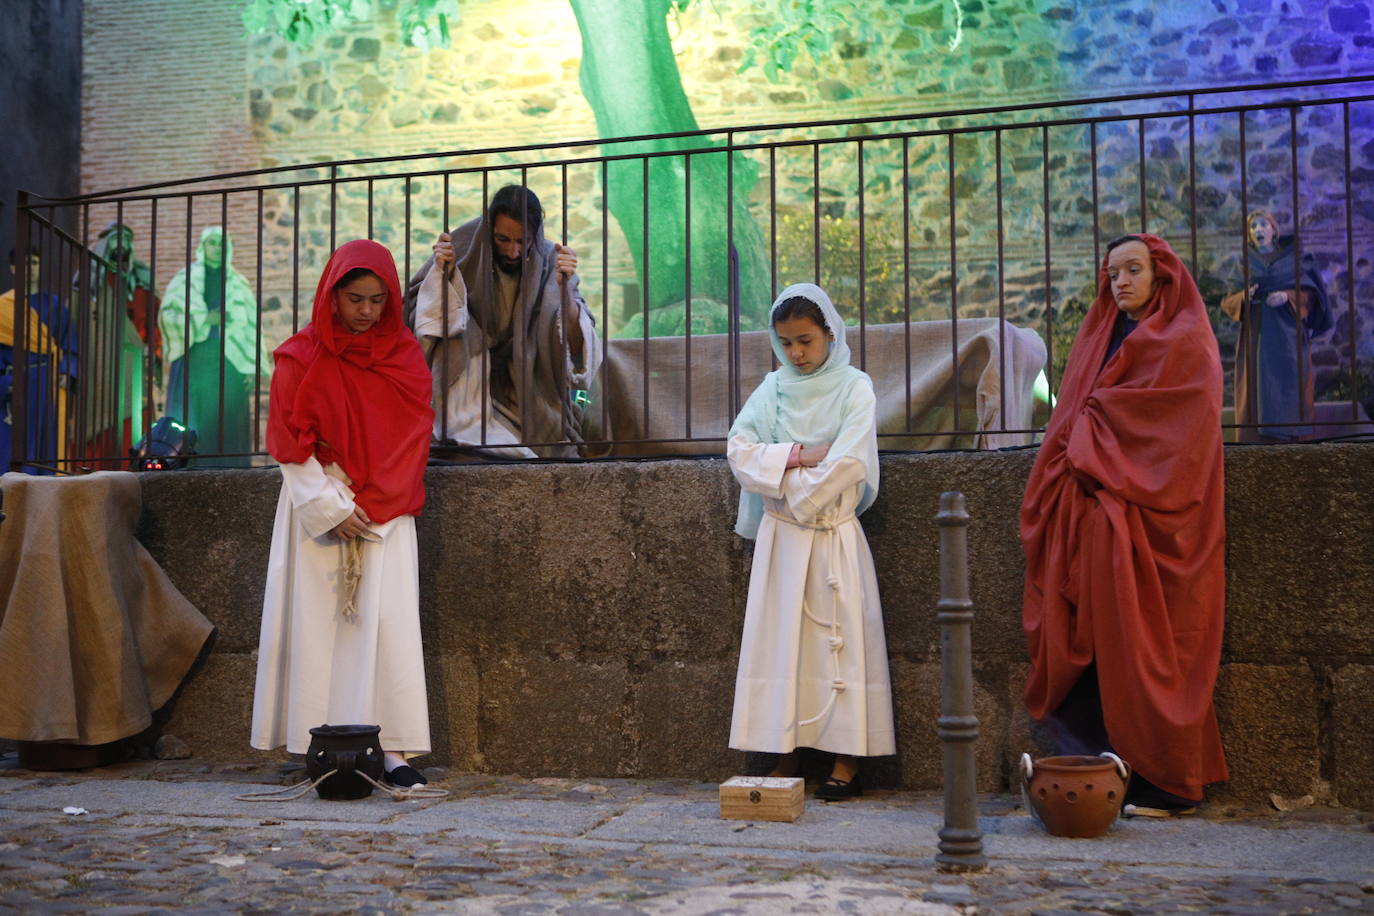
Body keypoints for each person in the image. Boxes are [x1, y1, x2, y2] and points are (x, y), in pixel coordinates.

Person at [1021, 234, 1228, 817]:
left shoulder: (1187, 340)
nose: (1121, 283)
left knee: (1151, 650)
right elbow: (1075, 411)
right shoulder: (1101, 336)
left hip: (1154, 524)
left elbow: (1177, 428)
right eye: (1112, 274)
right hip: (1093, 518)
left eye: (1133, 270)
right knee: (1093, 650)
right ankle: (1102, 777)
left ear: (1161, 274)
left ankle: (1168, 784)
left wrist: (1095, 429)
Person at [250, 239, 435, 788]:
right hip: (322, 507)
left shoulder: (403, 357)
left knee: (386, 624)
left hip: (386, 509)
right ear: (331, 295)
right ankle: (320, 743)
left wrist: (375, 502)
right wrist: (329, 505)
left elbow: (412, 435)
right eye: (354, 298)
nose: (366, 311)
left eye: (378, 299)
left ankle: (394, 749)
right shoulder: (299, 357)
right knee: (320, 627)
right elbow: (288, 439)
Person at [726, 282, 894, 801]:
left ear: (829, 334)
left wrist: (791, 494)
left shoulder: (855, 387)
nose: (796, 353)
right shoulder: (772, 389)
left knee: (840, 644)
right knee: (783, 646)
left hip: (830, 536)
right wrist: (798, 455)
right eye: (786, 343)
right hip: (782, 543)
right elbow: (739, 448)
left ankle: (846, 759)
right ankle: (784, 753)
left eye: (805, 341)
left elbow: (849, 461)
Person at [405, 184, 602, 457]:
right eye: (503, 240)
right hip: (465, 377)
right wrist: (442, 275)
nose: (512, 252)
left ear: (536, 235)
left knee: (554, 442)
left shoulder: (551, 260)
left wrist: (564, 289)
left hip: (526, 380)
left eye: (522, 242)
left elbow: (577, 342)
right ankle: (458, 428)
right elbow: (416, 311)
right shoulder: (460, 244)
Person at [1219, 210, 1333, 441]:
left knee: (1289, 383)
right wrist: (1245, 297)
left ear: (1274, 229)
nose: (1258, 230)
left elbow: (1312, 296)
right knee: (1256, 383)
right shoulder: (1243, 262)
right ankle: (1256, 438)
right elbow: (1228, 299)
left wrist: (1288, 296)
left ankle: (1289, 435)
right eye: (1253, 227)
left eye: (1263, 225)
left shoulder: (1295, 259)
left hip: (1287, 333)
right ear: (1249, 234)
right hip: (1257, 334)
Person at [158, 226, 266, 466]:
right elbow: (168, 315)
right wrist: (206, 319)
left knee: (226, 422)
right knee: (190, 420)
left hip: (229, 364)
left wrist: (251, 366)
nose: (217, 248)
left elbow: (251, 326)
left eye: (222, 244)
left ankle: (230, 472)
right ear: (203, 246)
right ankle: (188, 469)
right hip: (193, 360)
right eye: (212, 243)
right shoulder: (184, 280)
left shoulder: (238, 283)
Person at [85, 222, 159, 460]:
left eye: (127, 240)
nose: (123, 245)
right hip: (101, 358)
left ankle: (134, 467)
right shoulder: (91, 278)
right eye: (118, 239)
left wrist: (152, 349)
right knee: (103, 413)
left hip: (135, 358)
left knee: (137, 413)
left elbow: (153, 319)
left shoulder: (141, 279)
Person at [0, 247, 75, 472]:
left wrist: (67, 370)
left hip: (46, 380)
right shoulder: (3, 307)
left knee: (46, 439)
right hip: (13, 382)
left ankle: (45, 489)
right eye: (24, 263)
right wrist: (5, 382)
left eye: (34, 262)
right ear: (13, 269)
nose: (30, 268)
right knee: (12, 442)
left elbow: (69, 342)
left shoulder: (53, 305)